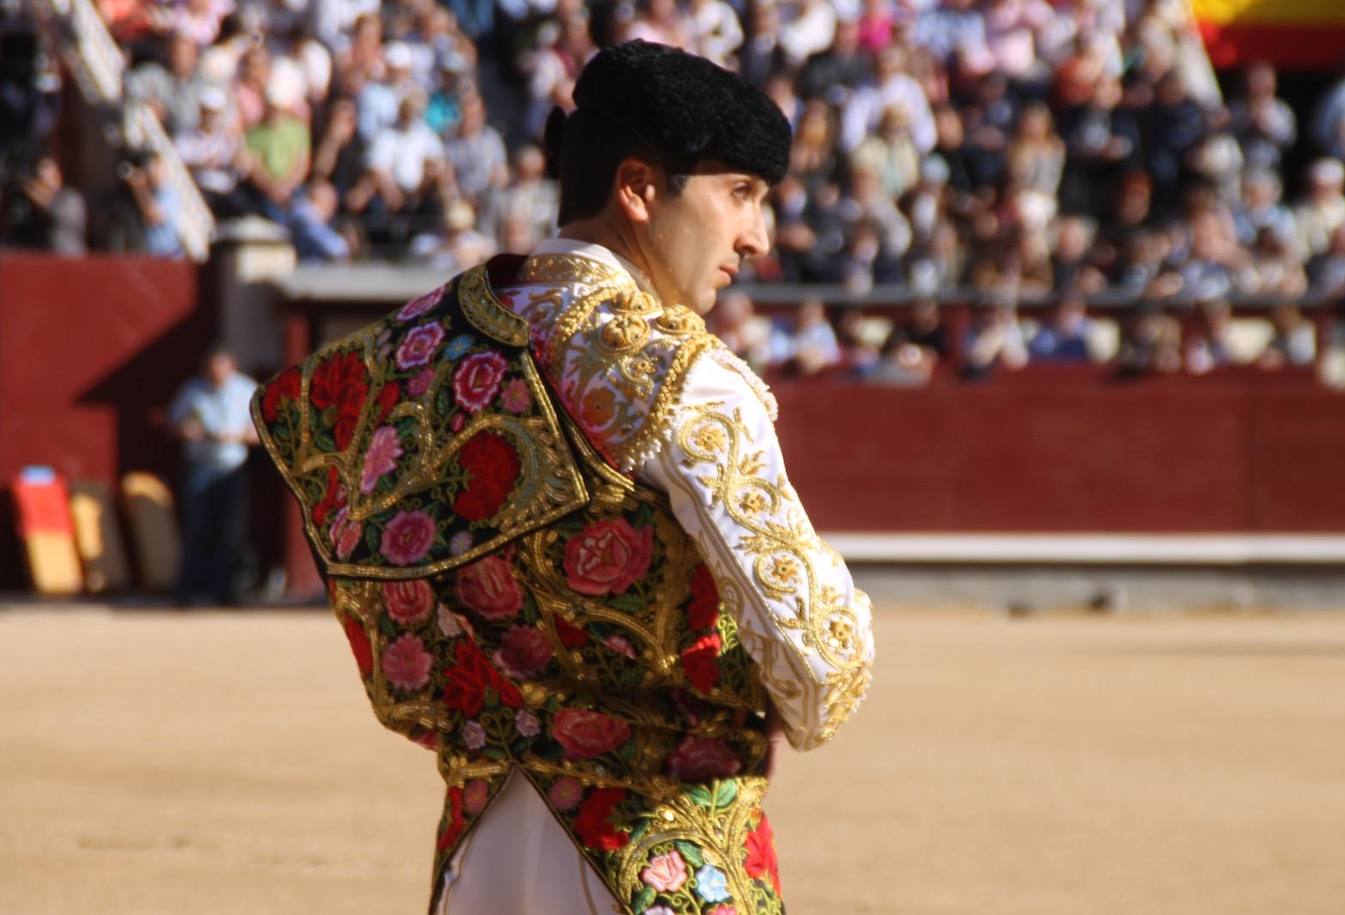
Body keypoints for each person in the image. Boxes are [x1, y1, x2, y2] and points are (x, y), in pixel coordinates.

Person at [251, 40, 875, 915]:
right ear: (639, 188)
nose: (758, 236)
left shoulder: (420, 350)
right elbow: (821, 669)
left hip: (481, 850)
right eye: (739, 194)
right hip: (655, 845)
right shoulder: (679, 375)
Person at [169, 345, 259, 606]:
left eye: (221, 368)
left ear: (231, 367)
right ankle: (186, 592)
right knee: (196, 528)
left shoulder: (245, 390)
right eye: (211, 369)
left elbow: (262, 433)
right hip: (201, 466)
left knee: (231, 532)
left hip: (233, 467)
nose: (216, 373)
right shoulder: (192, 391)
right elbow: (174, 423)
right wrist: (186, 430)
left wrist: (235, 436)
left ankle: (227, 593)